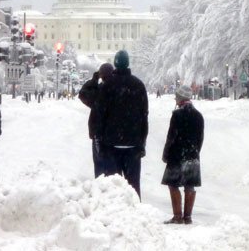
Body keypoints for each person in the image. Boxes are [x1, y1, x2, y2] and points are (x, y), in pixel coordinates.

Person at [94, 50, 149, 198]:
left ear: (116, 64)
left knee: (113, 187)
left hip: (111, 145)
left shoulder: (107, 86)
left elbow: (100, 116)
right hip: (133, 145)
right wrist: (142, 142)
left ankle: (114, 214)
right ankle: (135, 213)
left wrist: (99, 140)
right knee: (133, 186)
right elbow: (144, 117)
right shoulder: (138, 85)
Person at [161, 84, 204, 224]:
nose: (175, 100)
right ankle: (188, 217)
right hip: (192, 155)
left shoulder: (177, 115)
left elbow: (171, 136)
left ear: (180, 99)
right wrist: (195, 151)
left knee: (173, 185)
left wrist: (166, 153)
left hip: (176, 155)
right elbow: (200, 138)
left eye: (176, 98)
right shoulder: (199, 116)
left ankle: (177, 216)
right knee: (189, 185)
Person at [78, 62, 115, 178]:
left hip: (98, 135)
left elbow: (82, 94)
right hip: (115, 134)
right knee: (113, 169)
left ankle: (101, 189)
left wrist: (94, 79)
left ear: (101, 75)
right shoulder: (117, 90)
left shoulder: (99, 91)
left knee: (99, 167)